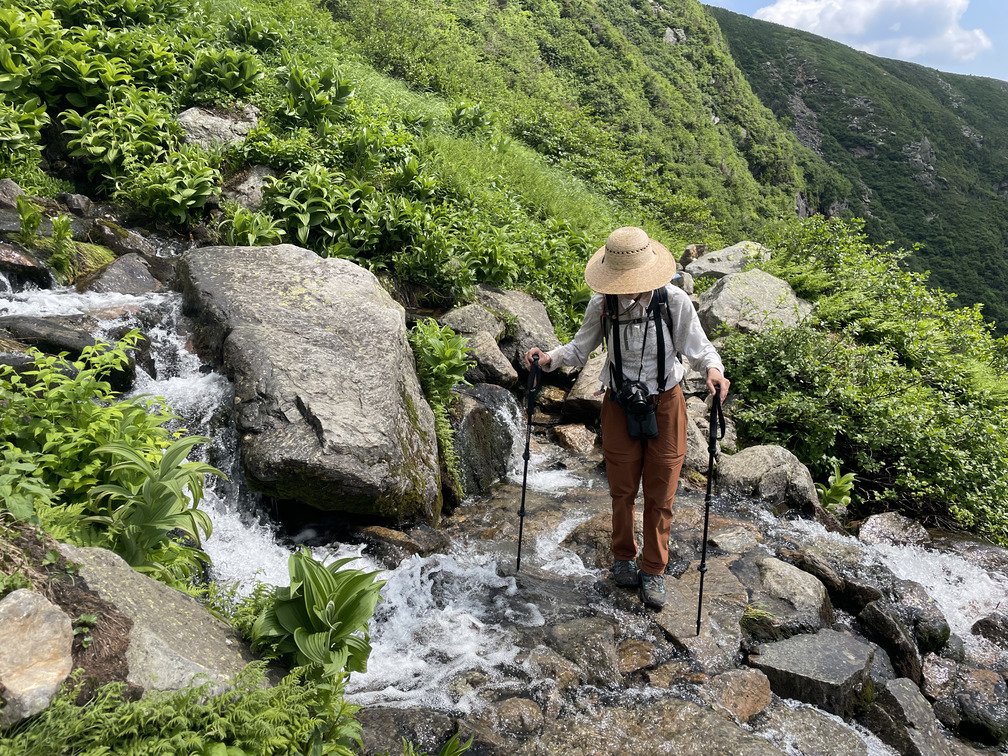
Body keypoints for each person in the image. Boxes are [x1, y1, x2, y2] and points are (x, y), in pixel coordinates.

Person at [525, 226, 730, 609]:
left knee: (661, 494)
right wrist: (549, 359)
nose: (625, 289)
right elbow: (579, 348)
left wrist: (714, 373)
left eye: (632, 282)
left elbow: (700, 350)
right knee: (622, 491)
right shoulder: (601, 305)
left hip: (666, 403)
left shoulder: (673, 301)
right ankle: (623, 558)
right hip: (618, 404)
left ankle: (653, 570)